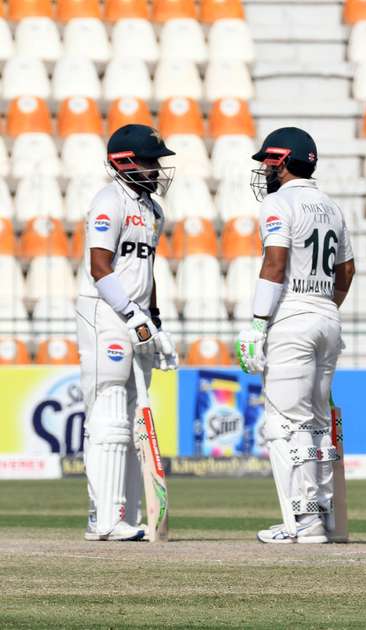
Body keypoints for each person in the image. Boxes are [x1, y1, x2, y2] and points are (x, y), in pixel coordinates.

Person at [235, 127, 355, 544]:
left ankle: (302, 522)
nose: (265, 170)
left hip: (292, 320)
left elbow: (275, 262)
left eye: (269, 162)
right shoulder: (332, 206)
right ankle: (320, 515)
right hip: (327, 318)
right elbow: (347, 272)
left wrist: (256, 324)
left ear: (283, 161)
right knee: (317, 422)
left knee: (285, 423)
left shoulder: (278, 202)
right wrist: (322, 306)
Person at [76, 124, 179, 541]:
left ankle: (129, 515)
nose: (157, 170)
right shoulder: (108, 200)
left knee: (135, 415)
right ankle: (104, 517)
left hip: (135, 317)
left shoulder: (153, 211)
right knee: (110, 411)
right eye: (151, 162)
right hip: (104, 312)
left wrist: (154, 321)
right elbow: (100, 267)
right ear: (125, 162)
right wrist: (133, 315)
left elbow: (146, 272)